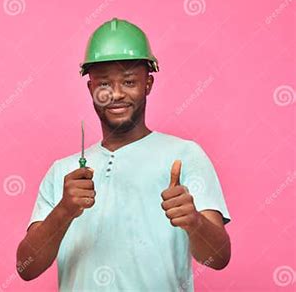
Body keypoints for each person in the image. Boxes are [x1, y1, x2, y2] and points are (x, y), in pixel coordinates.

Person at [16, 17, 231, 291]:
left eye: (129, 82)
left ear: (148, 85)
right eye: (104, 84)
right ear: (91, 88)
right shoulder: (63, 171)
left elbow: (219, 258)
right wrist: (64, 211)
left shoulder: (185, 155)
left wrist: (194, 222)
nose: (116, 94)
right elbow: (26, 267)